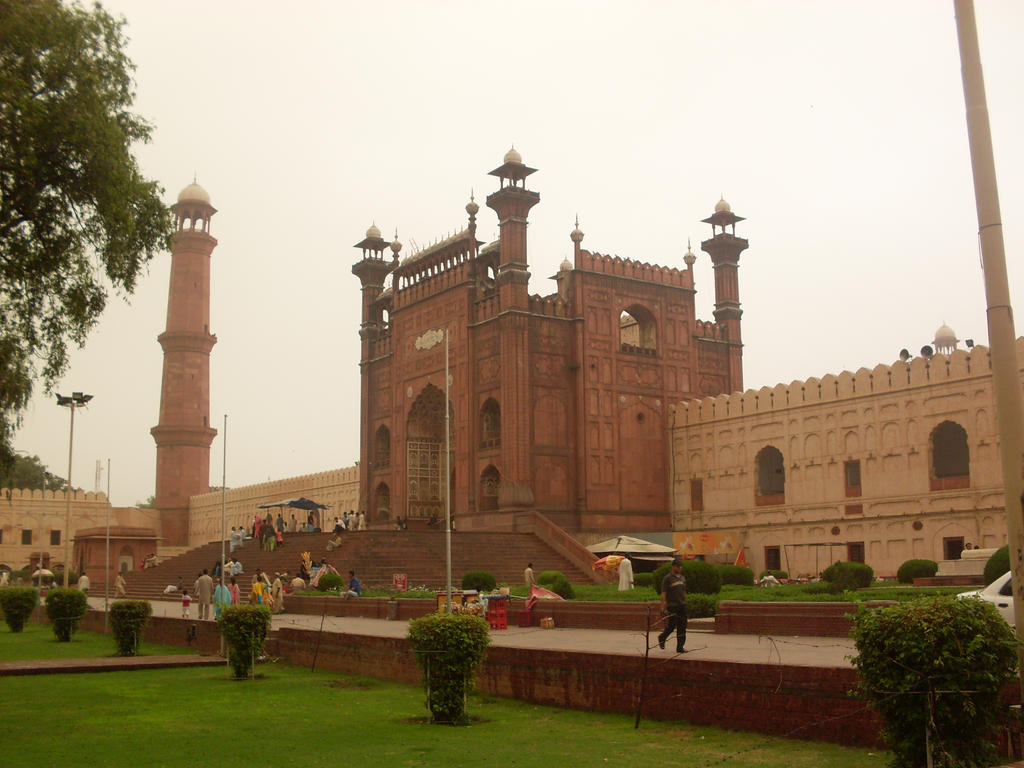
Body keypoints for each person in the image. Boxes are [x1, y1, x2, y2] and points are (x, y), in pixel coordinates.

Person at [657, 558, 687, 653]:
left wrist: (685, 601)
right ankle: (662, 637)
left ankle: (680, 647)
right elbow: (663, 593)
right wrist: (662, 607)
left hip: (682, 605)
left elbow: (684, 591)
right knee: (672, 626)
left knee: (682, 627)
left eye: (680, 566)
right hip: (672, 606)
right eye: (677, 566)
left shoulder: (682, 578)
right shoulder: (668, 578)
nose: (679, 568)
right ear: (673, 567)